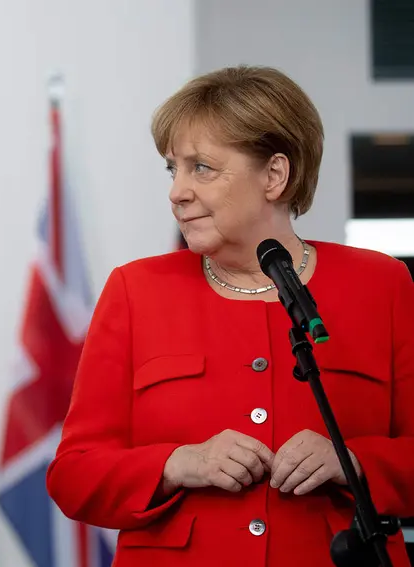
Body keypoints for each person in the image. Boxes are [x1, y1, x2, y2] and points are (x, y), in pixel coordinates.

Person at [46, 65, 414, 567]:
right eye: (172, 169)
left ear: (275, 175)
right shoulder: (135, 290)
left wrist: (352, 461)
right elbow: (73, 475)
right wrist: (179, 463)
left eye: (201, 167)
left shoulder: (381, 284)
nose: (177, 191)